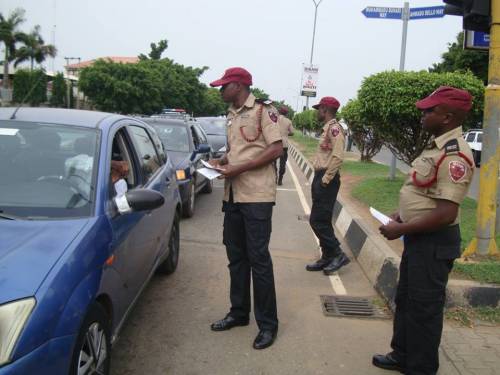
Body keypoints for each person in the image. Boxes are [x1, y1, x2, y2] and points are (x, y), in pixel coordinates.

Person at [372, 86, 475, 375]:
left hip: (434, 244)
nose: (423, 114)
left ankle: (421, 367)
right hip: (419, 240)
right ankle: (402, 355)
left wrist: (402, 227)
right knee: (406, 299)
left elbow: (446, 213)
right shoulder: (436, 146)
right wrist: (402, 215)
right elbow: (426, 193)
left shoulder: (455, 155)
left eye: (430, 110)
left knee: (424, 309)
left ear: (448, 117)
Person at [208, 67, 283, 350]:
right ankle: (239, 313)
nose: (220, 91)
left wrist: (239, 167)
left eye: (223, 86)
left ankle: (267, 325)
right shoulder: (231, 114)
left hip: (257, 197)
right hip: (233, 196)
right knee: (236, 259)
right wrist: (221, 161)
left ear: (238, 86)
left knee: (259, 261)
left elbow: (275, 149)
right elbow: (239, 150)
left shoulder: (265, 111)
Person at [305, 96, 350, 275]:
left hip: (327, 179)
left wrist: (325, 179)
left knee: (317, 220)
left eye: (319, 109)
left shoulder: (334, 129)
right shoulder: (328, 128)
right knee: (321, 219)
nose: (317, 112)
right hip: (320, 176)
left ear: (325, 109)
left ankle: (338, 254)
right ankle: (327, 256)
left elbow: (338, 156)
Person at [276, 106, 294, 185]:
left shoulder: (274, 119)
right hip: (284, 145)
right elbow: (292, 132)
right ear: (286, 114)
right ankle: (280, 179)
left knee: (273, 162)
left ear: (279, 112)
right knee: (282, 163)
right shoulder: (288, 121)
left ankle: (274, 177)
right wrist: (286, 133)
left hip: (274, 143)